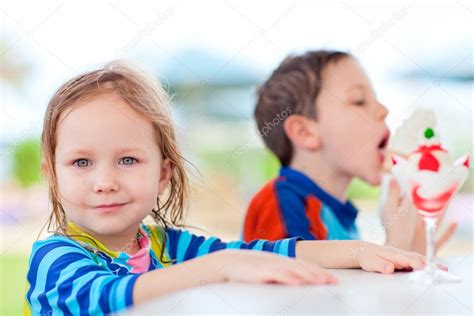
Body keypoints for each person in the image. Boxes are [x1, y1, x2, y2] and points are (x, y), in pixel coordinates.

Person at [25, 61, 432, 315]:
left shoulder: (170, 247)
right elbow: (107, 297)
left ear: (163, 174)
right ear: (52, 174)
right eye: (81, 163)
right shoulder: (54, 257)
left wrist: (360, 251)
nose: (105, 182)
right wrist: (217, 268)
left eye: (128, 160)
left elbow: (265, 252)